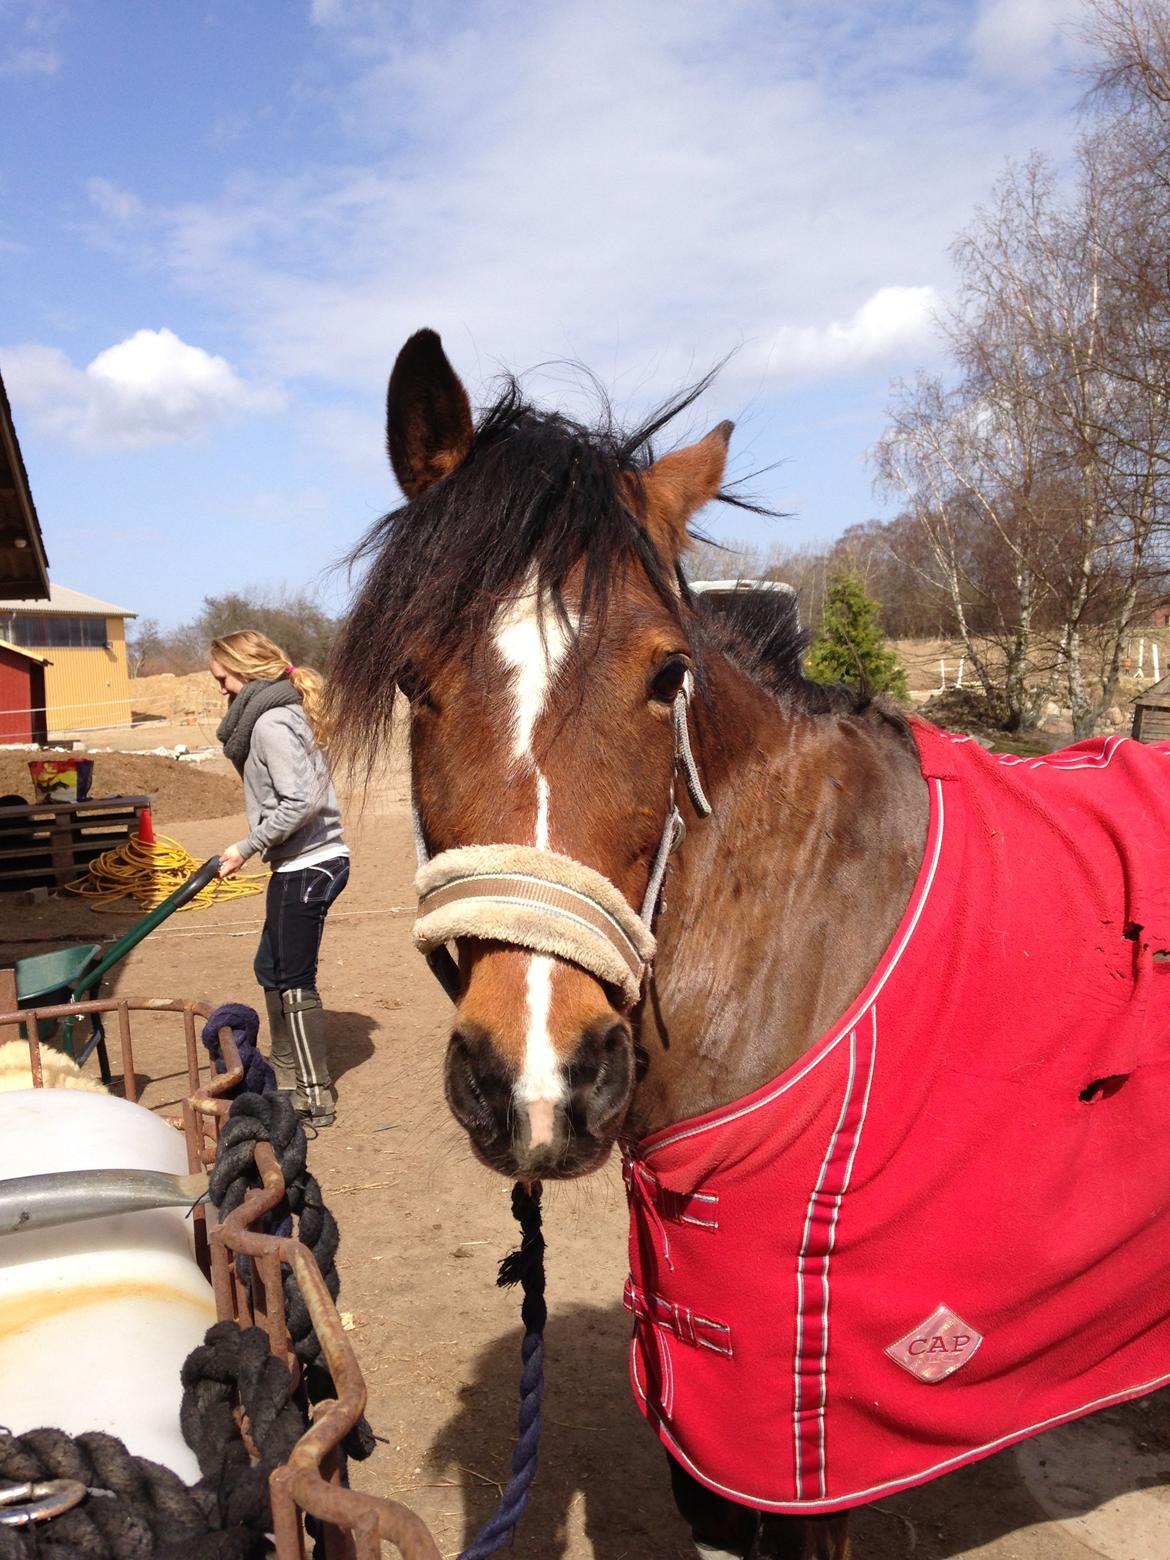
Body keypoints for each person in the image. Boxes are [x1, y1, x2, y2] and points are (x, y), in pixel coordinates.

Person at [209, 630, 348, 1127]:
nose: (221, 690)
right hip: (298, 862)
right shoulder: (278, 716)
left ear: (245, 674)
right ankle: (287, 1073)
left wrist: (246, 847)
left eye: (223, 679)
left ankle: (314, 1096)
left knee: (293, 980)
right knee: (270, 967)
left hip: (310, 862)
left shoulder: (270, 723)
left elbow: (300, 801)